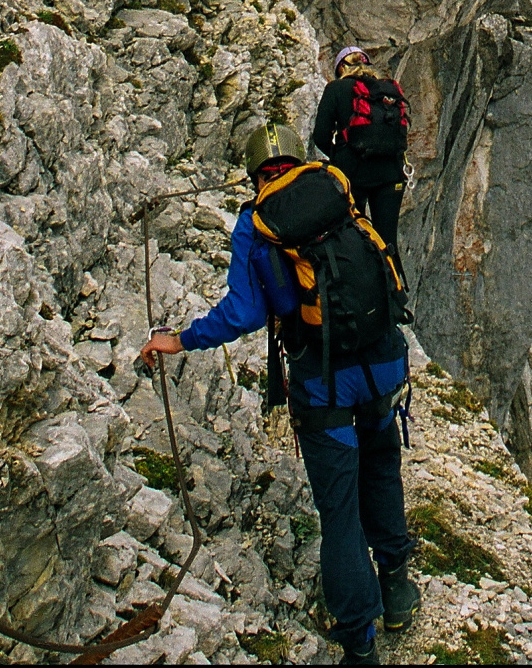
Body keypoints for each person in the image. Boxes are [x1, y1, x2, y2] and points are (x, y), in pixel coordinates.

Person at [139, 121, 421, 667]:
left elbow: (245, 312)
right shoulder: (335, 186)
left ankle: (361, 643)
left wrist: (181, 339)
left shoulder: (257, 223)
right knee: (382, 465)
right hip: (385, 360)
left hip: (324, 378)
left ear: (255, 174)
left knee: (339, 510)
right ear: (298, 158)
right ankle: (398, 590)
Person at [312, 47, 409, 271]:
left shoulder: (336, 88)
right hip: (392, 174)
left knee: (353, 238)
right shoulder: (386, 90)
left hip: (353, 174)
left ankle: (362, 294)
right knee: (388, 241)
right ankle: (395, 294)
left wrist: (340, 156)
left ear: (340, 69)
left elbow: (320, 136)